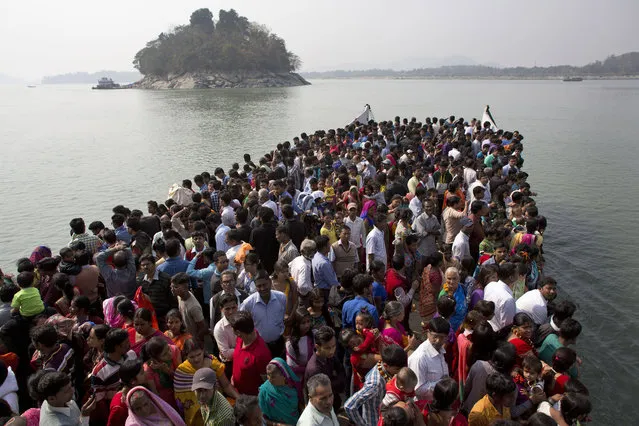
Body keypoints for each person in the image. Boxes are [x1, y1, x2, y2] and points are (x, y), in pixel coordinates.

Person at [174, 339, 238, 426]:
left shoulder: (213, 364)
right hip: (195, 419)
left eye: (199, 354)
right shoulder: (182, 372)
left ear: (203, 351)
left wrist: (239, 398)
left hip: (216, 411)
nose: (196, 359)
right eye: (191, 357)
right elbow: (181, 400)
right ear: (185, 356)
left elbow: (226, 385)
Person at [344, 344, 408, 426]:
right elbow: (349, 406)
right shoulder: (375, 384)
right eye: (397, 369)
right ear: (386, 366)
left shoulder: (384, 367)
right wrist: (362, 424)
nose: (400, 372)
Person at [239, 269, 287, 358]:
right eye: (259, 286)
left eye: (264, 285)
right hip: (259, 347)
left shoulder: (281, 298)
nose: (262, 288)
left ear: (270, 282)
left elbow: (282, 317)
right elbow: (241, 323)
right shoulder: (248, 303)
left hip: (279, 344)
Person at [230, 311, 272, 396]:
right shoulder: (241, 339)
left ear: (238, 332)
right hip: (237, 392)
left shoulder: (261, 354)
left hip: (251, 400)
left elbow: (267, 383)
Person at [304, 326, 345, 411]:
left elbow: (340, 369)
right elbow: (322, 392)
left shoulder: (328, 355)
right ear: (318, 347)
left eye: (334, 346)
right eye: (327, 348)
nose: (332, 351)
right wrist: (339, 381)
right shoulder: (314, 369)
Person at [407, 317, 450, 400]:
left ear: (446, 337)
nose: (437, 341)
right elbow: (418, 389)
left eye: (441, 337)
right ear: (428, 333)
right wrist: (442, 384)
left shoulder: (440, 351)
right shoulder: (419, 358)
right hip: (424, 406)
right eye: (435, 336)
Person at [259, 358, 301, 425]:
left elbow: (301, 407)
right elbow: (261, 418)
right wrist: (277, 424)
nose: (269, 379)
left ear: (283, 375)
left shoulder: (294, 387)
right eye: (268, 375)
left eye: (273, 376)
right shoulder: (264, 391)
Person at [107, 359, 148, 426]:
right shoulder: (119, 406)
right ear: (133, 381)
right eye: (142, 373)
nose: (146, 373)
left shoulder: (140, 389)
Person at [170, 272, 207, 345]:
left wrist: (194, 341)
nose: (172, 289)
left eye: (175, 287)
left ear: (185, 287)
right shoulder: (179, 297)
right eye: (171, 287)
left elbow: (203, 328)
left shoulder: (194, 307)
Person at [484, 262, 518, 336]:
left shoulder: (490, 285)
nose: (518, 276)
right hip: (498, 334)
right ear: (511, 277)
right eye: (517, 274)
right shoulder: (508, 299)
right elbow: (507, 325)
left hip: (487, 327)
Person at [438, 267, 467, 332]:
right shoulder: (443, 294)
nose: (452, 281)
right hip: (450, 328)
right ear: (445, 279)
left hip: (462, 325)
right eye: (449, 278)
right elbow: (442, 314)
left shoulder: (462, 288)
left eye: (454, 278)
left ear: (459, 278)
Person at [312, 235, 340, 302]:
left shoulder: (316, 256)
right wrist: (340, 286)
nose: (330, 246)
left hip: (320, 289)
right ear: (324, 247)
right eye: (328, 244)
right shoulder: (323, 263)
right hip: (325, 292)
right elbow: (332, 281)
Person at [289, 239, 316, 306]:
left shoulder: (297, 259)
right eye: (311, 251)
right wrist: (311, 291)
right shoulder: (305, 266)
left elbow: (289, 267)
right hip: (303, 297)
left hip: (295, 292)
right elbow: (302, 286)